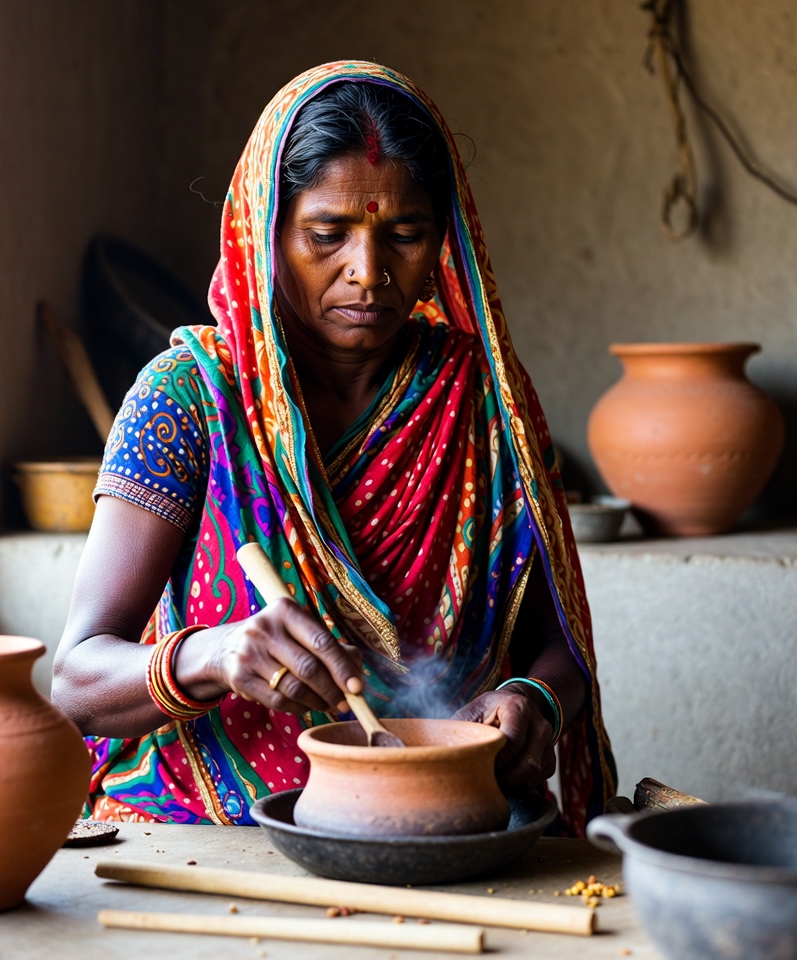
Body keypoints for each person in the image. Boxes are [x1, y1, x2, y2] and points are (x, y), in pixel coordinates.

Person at [52, 60, 616, 836]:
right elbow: (75, 682)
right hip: (206, 831)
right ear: (268, 232)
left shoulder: (483, 400)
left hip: (439, 821)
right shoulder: (191, 400)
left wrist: (534, 701)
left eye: (406, 235)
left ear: (443, 241)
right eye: (326, 235)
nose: (369, 273)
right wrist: (211, 656)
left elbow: (557, 644)